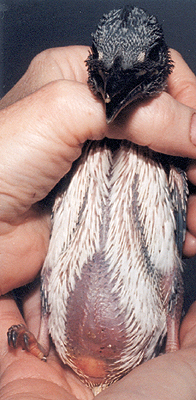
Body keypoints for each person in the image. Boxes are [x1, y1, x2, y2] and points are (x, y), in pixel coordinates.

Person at [0, 46, 196, 399]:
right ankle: (41, 338)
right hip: (62, 348)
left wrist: (171, 351)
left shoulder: (166, 165)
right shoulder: (73, 142)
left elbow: (170, 279)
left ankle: (168, 346)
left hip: (136, 353)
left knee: (169, 274)